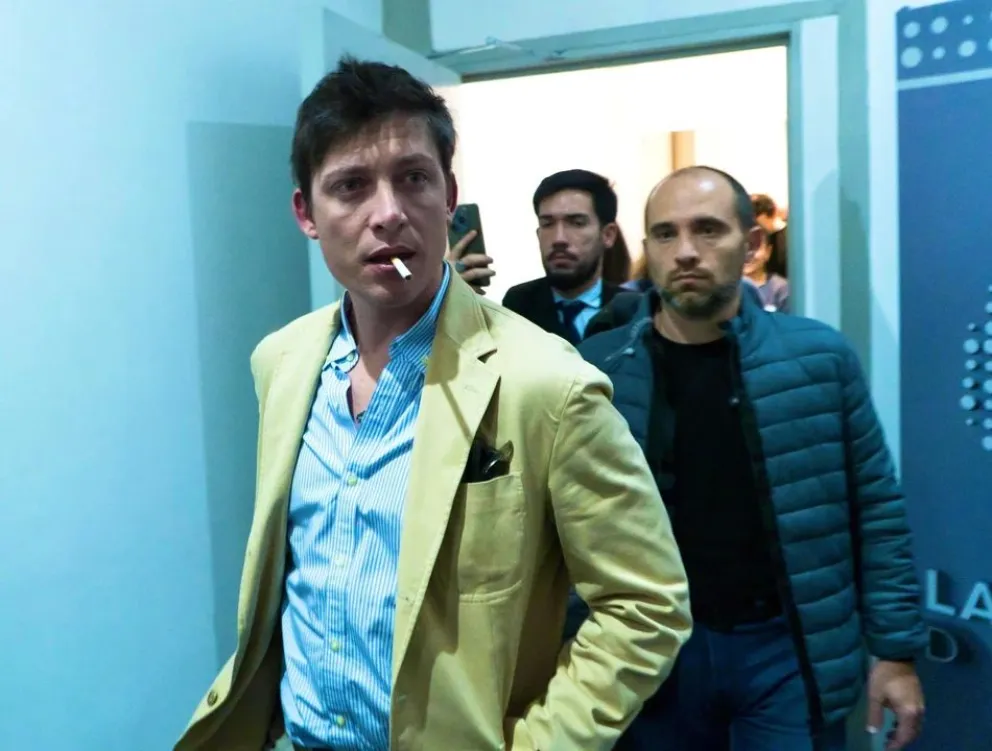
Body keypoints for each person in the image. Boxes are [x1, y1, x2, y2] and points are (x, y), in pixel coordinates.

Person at [173, 57, 692, 751]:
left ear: (449, 196)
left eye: (413, 178)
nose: (388, 213)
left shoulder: (546, 382)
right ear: (306, 213)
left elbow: (646, 604)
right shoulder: (283, 362)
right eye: (350, 186)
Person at [577, 166, 927, 751]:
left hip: (783, 653)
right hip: (651, 654)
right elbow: (568, 526)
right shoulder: (597, 369)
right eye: (665, 234)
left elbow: (876, 510)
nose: (685, 251)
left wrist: (895, 652)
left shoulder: (818, 360)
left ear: (752, 243)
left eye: (708, 230)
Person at [502, 169, 626, 344]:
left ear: (608, 235)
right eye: (547, 224)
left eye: (576, 223)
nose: (558, 239)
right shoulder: (518, 306)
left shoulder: (633, 311)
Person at [743, 227, 790, 312]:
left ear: (768, 252)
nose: (748, 254)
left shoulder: (781, 289)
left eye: (755, 247)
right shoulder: (727, 287)